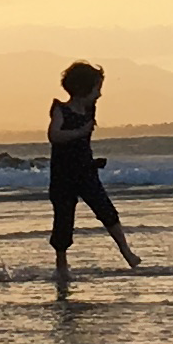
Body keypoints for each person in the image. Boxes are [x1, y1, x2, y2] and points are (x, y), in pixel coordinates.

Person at [48, 61, 140, 278]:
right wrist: (79, 132)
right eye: (97, 89)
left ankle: (126, 251)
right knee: (63, 219)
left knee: (106, 210)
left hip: (86, 170)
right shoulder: (61, 110)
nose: (99, 95)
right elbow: (54, 135)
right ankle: (61, 264)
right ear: (82, 89)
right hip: (63, 175)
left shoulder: (90, 109)